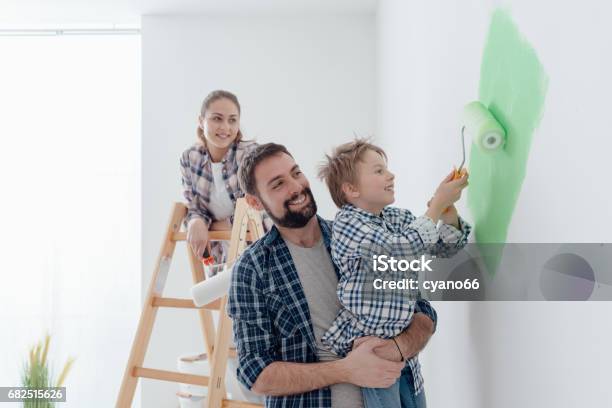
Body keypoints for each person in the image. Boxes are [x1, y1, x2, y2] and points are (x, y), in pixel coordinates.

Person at [227, 143, 439, 408]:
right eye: (278, 184)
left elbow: (422, 312)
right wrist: (346, 370)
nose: (295, 187)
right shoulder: (253, 268)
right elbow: (254, 372)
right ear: (256, 202)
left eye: (296, 173)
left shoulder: (356, 237)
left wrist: (399, 347)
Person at [317, 139, 471, 407]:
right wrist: (434, 207)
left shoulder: (395, 218)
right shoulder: (348, 224)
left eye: (386, 169)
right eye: (379, 171)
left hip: (404, 348)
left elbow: (445, 247)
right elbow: (401, 248)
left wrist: (446, 210)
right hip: (372, 350)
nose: (391, 175)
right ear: (351, 189)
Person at [180, 90, 257, 266]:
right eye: (217, 118)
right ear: (201, 121)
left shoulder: (250, 155)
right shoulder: (189, 158)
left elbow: (256, 211)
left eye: (232, 120)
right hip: (218, 254)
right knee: (209, 292)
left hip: (255, 248)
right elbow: (193, 207)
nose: (225, 127)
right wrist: (196, 221)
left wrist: (211, 227)